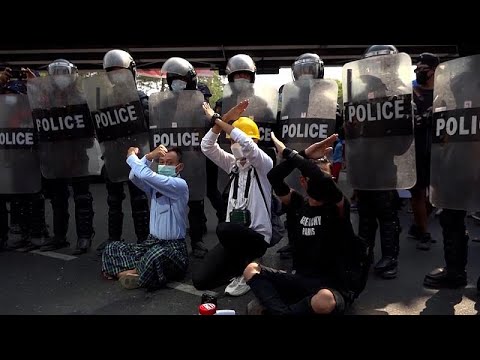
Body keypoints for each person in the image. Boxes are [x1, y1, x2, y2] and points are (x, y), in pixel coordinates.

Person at [243, 131, 365, 315]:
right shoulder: (297, 203)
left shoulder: (338, 207)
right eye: (313, 178)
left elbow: (321, 179)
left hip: (333, 287)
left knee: (323, 301)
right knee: (251, 270)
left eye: (328, 179)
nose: (324, 182)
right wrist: (304, 154)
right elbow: (274, 177)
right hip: (300, 280)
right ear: (303, 181)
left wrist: (289, 153)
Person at [193, 99, 272, 297]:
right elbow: (207, 146)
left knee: (224, 227)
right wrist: (224, 120)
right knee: (200, 280)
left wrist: (217, 119)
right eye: (231, 142)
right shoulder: (233, 165)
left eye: (236, 140)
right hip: (233, 236)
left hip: (256, 238)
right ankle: (240, 268)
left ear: (254, 141)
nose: (234, 145)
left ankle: (249, 268)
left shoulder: (264, 165)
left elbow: (247, 145)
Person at [350, 45, 407, 279]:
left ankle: (390, 258)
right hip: (364, 166)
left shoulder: (398, 99)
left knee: (386, 214)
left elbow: (402, 145)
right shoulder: (357, 99)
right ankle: (365, 254)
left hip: (384, 166)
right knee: (365, 214)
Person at [26, 59, 95, 255]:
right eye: (55, 73)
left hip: (77, 155)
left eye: (63, 73)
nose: (60, 77)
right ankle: (59, 236)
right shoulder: (46, 99)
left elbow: (89, 134)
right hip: (55, 156)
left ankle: (84, 237)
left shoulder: (82, 99)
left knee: (82, 197)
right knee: (58, 197)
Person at [102, 145, 189, 290]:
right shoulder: (155, 186)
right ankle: (142, 273)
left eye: (170, 163)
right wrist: (149, 157)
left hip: (173, 248)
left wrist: (131, 156)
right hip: (152, 242)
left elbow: (145, 175)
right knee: (112, 247)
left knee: (158, 254)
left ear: (179, 167)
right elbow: (134, 176)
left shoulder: (179, 185)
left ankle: (134, 272)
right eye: (161, 162)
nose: (164, 166)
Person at [96, 49, 150, 255]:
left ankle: (143, 238)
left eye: (120, 71)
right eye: (112, 72)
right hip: (113, 157)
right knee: (113, 200)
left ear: (131, 72)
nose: (116, 75)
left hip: (135, 157)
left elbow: (149, 128)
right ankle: (113, 239)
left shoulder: (141, 98)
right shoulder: (103, 100)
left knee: (139, 200)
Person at [408, 53, 439, 250]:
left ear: (434, 71)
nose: (418, 72)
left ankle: (419, 225)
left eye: (423, 69)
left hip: (439, 150)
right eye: (416, 69)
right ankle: (424, 233)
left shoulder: (444, 93)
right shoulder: (410, 92)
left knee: (439, 194)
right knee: (417, 192)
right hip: (416, 149)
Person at [198, 82, 227, 227]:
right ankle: (200, 222)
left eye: (205, 98)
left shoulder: (212, 115)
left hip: (209, 158)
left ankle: (223, 217)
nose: (203, 101)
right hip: (194, 158)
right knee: (196, 191)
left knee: (210, 191)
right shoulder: (188, 114)